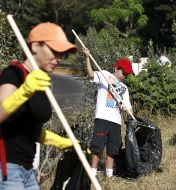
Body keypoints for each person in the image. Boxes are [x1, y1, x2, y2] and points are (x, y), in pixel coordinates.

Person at [0, 22, 77, 189]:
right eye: (54, 51)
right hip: (6, 168)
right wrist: (24, 91)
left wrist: (60, 141)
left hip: (28, 170)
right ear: (35, 46)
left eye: (61, 54)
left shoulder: (39, 82)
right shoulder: (14, 74)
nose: (58, 58)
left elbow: (28, 129)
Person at [83, 48, 134, 178]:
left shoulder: (124, 88)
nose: (124, 76)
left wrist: (133, 118)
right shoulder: (104, 74)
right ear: (117, 68)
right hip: (102, 117)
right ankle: (92, 173)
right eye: (124, 72)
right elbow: (90, 74)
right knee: (97, 146)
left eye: (127, 75)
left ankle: (109, 175)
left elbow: (128, 107)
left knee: (113, 149)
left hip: (116, 121)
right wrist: (87, 57)